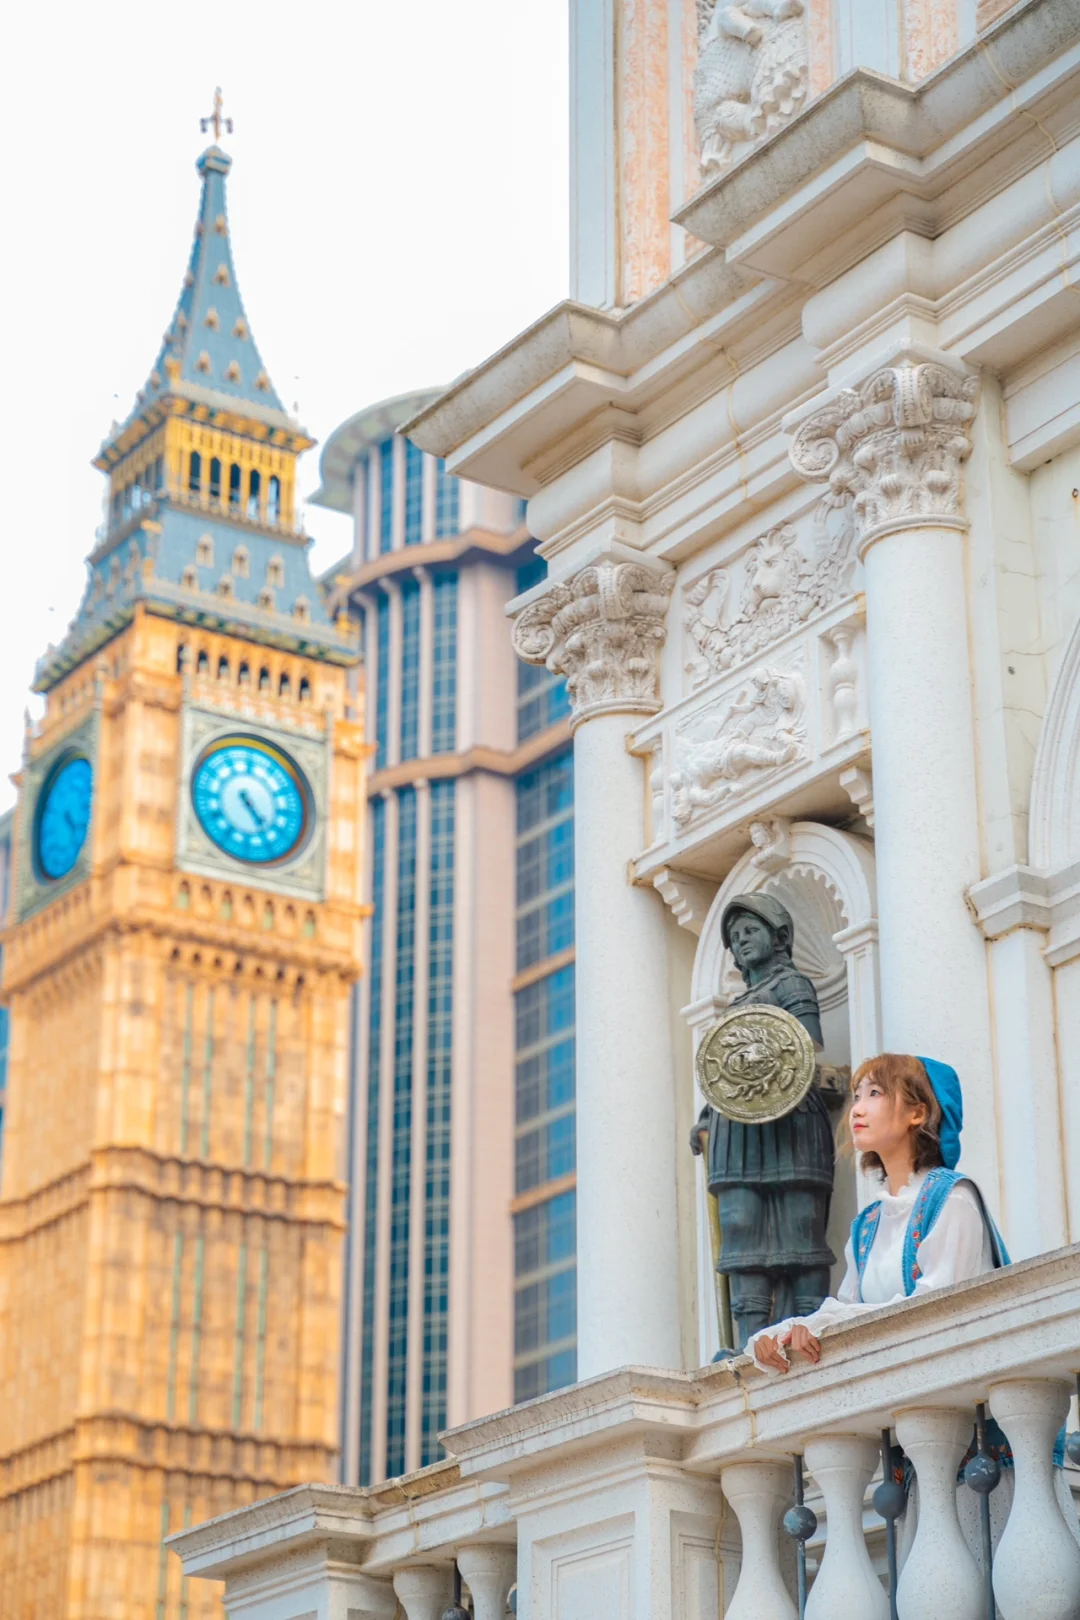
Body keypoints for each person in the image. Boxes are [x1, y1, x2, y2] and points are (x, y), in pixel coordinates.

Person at [748, 1052, 1005, 1374]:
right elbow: (850, 1309)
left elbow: (936, 1309)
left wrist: (828, 1325)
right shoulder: (868, 1223)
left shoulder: (952, 1197)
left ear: (917, 1112)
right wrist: (783, 1336)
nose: (856, 1108)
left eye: (875, 1093)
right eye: (856, 1096)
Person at [691, 894, 836, 1350]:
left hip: (790, 1125)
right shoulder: (733, 1008)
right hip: (736, 1134)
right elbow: (722, 1074)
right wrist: (705, 1116)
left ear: (778, 935)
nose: (741, 941)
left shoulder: (793, 987)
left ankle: (807, 1328)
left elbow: (804, 1050)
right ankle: (749, 1342)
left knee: (799, 1227)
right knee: (738, 1228)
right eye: (735, 938)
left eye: (750, 931)